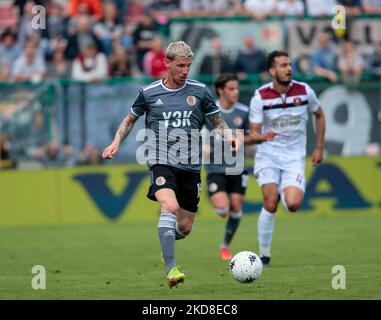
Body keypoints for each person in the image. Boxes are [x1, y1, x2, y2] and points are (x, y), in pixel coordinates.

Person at [102, 41, 240, 288]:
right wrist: (115, 142)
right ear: (167, 63)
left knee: (185, 227)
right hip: (160, 160)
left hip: (191, 166)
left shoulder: (200, 91)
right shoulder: (149, 92)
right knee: (169, 205)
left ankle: (167, 239)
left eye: (188, 65)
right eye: (180, 65)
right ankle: (171, 269)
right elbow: (130, 119)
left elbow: (217, 121)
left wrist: (230, 138)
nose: (185, 70)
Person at [249, 51, 326, 267]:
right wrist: (261, 136)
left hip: (294, 157)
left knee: (292, 205)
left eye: (290, 64)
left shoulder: (304, 91)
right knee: (270, 201)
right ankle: (264, 255)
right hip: (268, 155)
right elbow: (253, 132)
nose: (289, 68)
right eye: (283, 65)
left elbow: (319, 114)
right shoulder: (260, 96)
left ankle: (287, 189)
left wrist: (319, 146)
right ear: (272, 71)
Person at [203, 73, 252, 260]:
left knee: (236, 207)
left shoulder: (244, 111)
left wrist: (244, 139)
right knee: (223, 209)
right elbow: (196, 128)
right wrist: (204, 142)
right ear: (220, 91)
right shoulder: (209, 110)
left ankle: (225, 245)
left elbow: (251, 135)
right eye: (231, 89)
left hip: (237, 166)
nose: (235, 92)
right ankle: (213, 195)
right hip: (215, 167)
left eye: (237, 88)